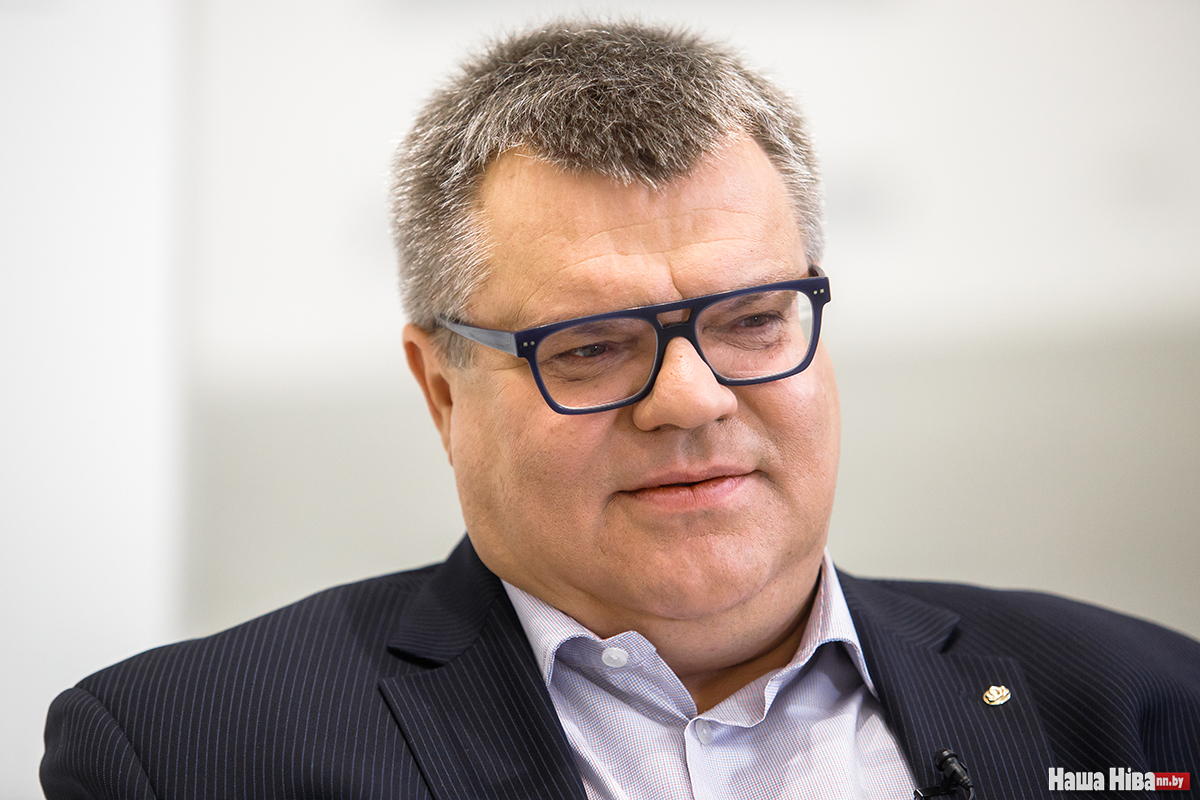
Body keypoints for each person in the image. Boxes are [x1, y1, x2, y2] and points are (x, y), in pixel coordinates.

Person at [43, 21, 1200, 800]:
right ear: (441, 388)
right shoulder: (188, 752)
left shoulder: (1144, 705)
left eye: (753, 320)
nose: (690, 396)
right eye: (591, 347)